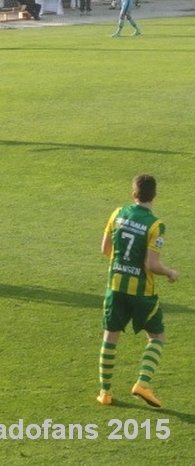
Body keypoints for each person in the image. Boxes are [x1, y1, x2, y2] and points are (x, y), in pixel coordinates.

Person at [97, 175, 178, 408]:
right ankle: (142, 383)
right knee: (157, 337)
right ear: (154, 195)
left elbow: (105, 249)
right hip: (142, 291)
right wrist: (170, 272)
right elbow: (152, 265)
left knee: (110, 335)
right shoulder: (156, 225)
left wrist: (122, 264)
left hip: (116, 285)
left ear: (134, 194)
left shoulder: (118, 213)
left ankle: (105, 392)